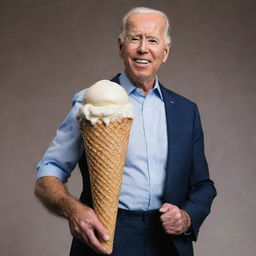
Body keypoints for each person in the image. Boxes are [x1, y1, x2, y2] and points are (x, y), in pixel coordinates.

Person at [35, 7, 217, 256]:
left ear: (165, 52)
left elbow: (203, 186)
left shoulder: (186, 111)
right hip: (105, 236)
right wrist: (74, 210)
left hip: (168, 243)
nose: (143, 48)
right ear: (121, 46)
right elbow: (48, 174)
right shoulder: (90, 101)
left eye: (153, 40)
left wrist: (186, 217)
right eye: (134, 38)